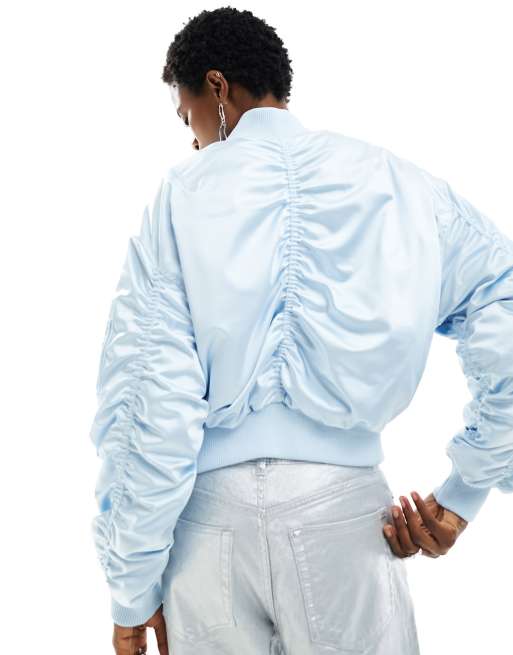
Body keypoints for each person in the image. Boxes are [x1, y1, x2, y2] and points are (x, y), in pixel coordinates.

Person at [88, 7, 513, 655]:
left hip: (207, 531)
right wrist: (463, 492)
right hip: (346, 517)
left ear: (217, 87)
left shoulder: (182, 195)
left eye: (186, 116)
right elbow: (502, 302)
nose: (193, 140)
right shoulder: (398, 183)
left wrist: (132, 587)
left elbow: (150, 397)